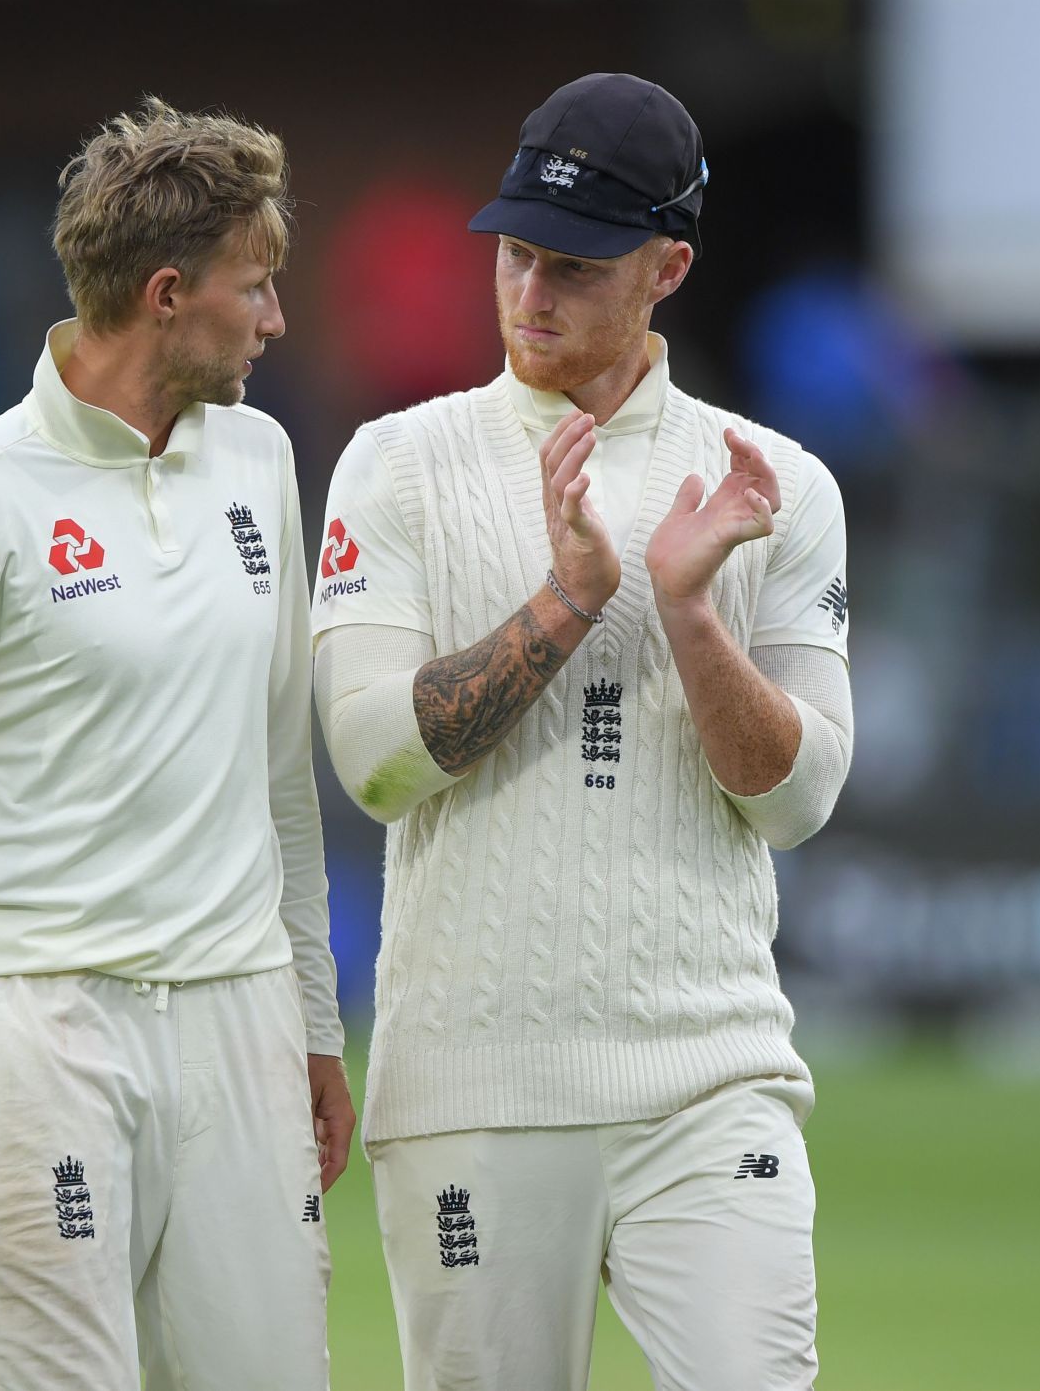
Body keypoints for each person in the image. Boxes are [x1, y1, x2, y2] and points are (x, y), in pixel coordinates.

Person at [311, 73, 852, 1390]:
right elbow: (375, 757)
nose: (531, 292)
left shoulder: (769, 485)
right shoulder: (397, 463)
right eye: (516, 253)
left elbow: (797, 796)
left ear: (667, 266)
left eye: (576, 265)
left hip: (707, 1077)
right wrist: (564, 604)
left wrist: (687, 609)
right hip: (473, 1093)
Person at [0, 97, 351, 1390]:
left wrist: (317, 1026)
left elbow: (280, 772)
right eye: (258, 287)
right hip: (34, 1028)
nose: (277, 320)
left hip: (238, 1019)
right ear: (169, 294)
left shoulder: (262, 462)